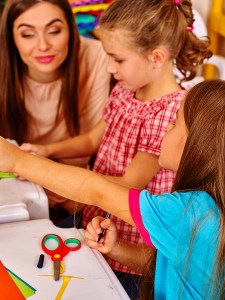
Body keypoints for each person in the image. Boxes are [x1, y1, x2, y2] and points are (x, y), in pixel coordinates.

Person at [19, 0, 212, 296]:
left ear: (156, 57)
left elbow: (128, 185)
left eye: (117, 59)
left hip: (129, 247)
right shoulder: (125, 89)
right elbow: (91, 140)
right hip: (95, 218)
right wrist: (48, 151)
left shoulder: (172, 113)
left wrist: (63, 186)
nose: (109, 67)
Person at [0, 79, 224, 299]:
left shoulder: (192, 213)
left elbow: (96, 190)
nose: (167, 126)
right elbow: (171, 265)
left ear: (197, 148)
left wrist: (18, 161)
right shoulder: (203, 208)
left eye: (174, 122)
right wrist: (117, 248)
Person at [0, 0, 110, 215]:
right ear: (11, 37)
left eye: (54, 31)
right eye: (27, 34)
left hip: (72, 190)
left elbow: (89, 143)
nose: (43, 46)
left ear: (70, 29)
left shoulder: (97, 57)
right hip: (13, 190)